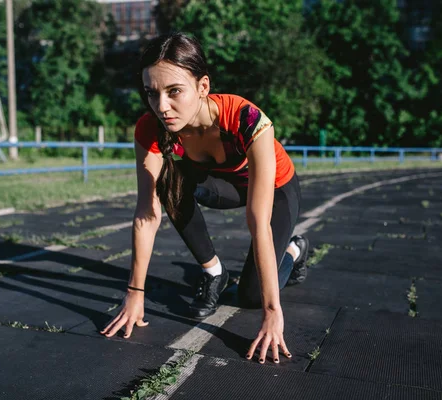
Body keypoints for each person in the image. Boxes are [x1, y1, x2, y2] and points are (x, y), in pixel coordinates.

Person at [100, 32, 310, 364]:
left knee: (252, 296)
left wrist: (273, 311)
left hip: (276, 189)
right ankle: (213, 271)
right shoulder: (150, 129)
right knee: (169, 180)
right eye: (151, 94)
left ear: (203, 87)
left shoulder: (248, 119)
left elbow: (259, 223)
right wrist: (134, 294)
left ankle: (295, 249)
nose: (162, 107)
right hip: (222, 186)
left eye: (174, 92)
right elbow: (146, 214)